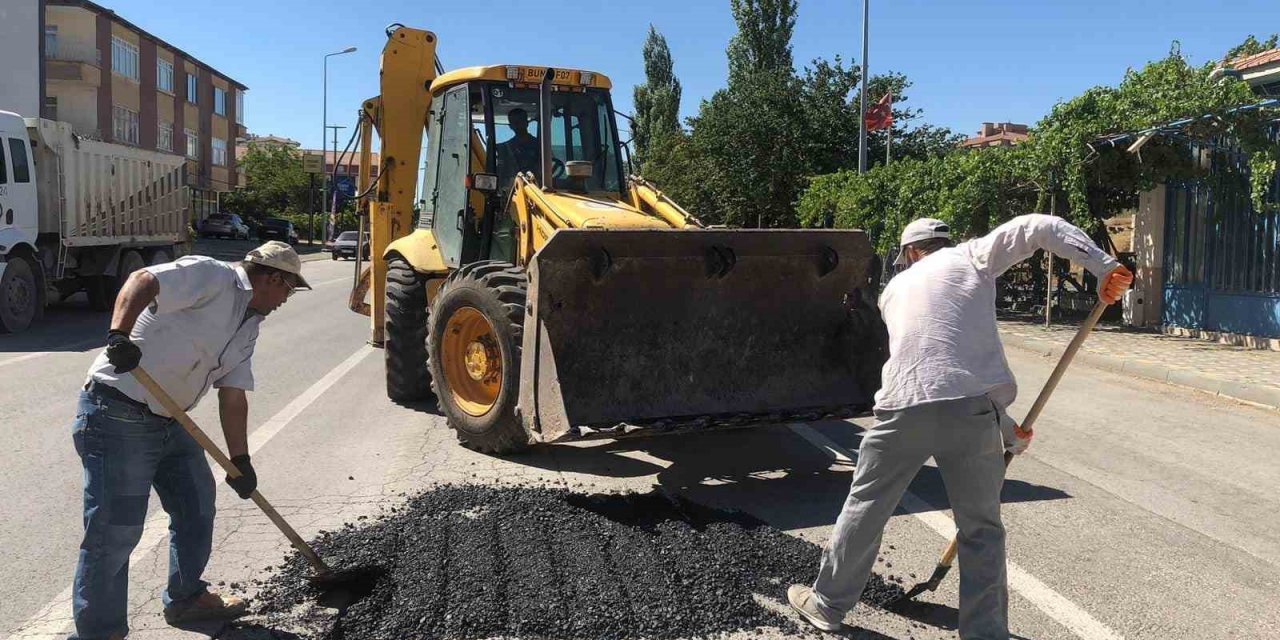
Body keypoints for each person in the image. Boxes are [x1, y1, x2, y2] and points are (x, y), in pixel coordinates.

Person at [788, 215, 1132, 639]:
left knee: (866, 509)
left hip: (901, 411)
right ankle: (985, 634)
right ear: (944, 243)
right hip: (970, 414)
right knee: (981, 529)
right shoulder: (973, 256)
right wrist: (1102, 266)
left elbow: (929, 366)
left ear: (911, 253)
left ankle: (826, 605)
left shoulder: (894, 290)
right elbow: (1040, 227)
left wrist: (1004, 426)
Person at [69, 241, 309, 640]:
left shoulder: (248, 326)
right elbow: (141, 279)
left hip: (169, 418)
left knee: (196, 505)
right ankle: (98, 633)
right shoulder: (212, 275)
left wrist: (241, 460)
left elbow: (232, 393)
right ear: (274, 278)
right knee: (115, 532)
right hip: (117, 410)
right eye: (290, 288)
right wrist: (119, 335)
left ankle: (185, 598)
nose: (288, 298)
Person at [496, 107, 542, 182]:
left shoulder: (541, 146)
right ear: (510, 126)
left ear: (526, 123)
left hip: (537, 186)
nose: (518, 126)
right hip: (513, 189)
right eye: (515, 123)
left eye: (521, 122)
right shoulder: (503, 148)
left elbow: (549, 167)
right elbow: (500, 174)